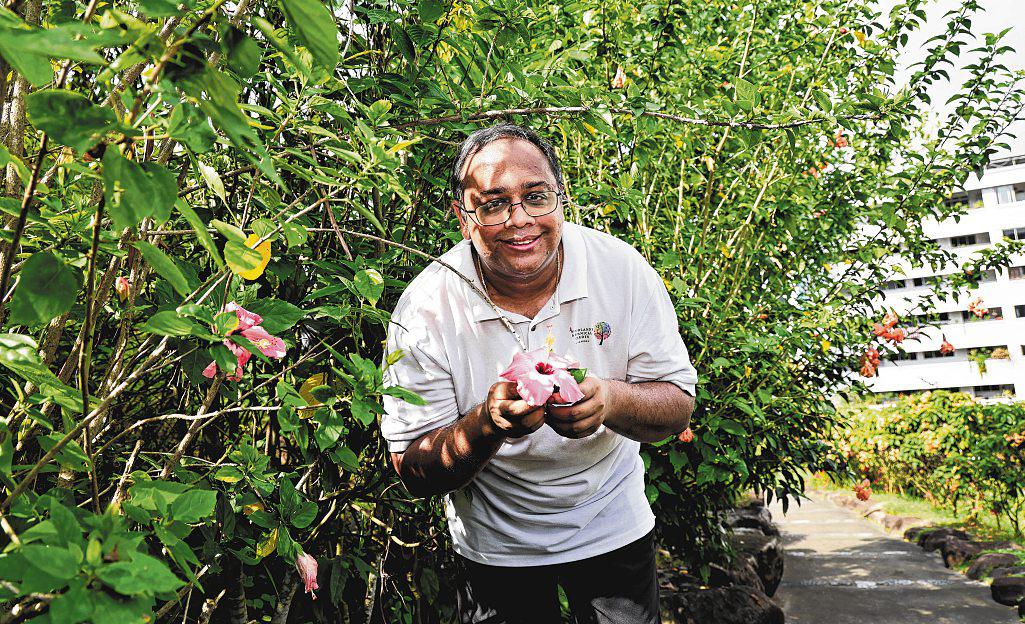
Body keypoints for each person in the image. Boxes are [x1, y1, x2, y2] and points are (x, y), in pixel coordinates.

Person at [381, 123, 698, 624]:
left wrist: (609, 402)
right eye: (493, 204)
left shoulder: (620, 270)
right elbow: (412, 468)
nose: (519, 220)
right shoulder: (425, 309)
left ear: (562, 199)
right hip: (495, 546)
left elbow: (678, 402)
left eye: (536, 196)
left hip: (610, 520)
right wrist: (486, 425)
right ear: (463, 218)